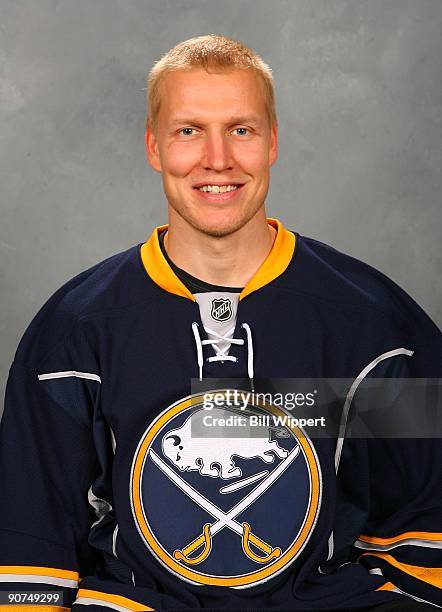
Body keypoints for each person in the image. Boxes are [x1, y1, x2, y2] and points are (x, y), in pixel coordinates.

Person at [0, 34, 440, 612]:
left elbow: (427, 537)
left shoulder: (376, 327)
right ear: (154, 146)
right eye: (188, 130)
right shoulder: (73, 333)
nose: (217, 159)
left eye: (241, 129)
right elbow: (32, 565)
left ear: (273, 142)